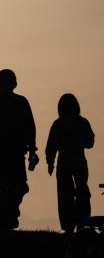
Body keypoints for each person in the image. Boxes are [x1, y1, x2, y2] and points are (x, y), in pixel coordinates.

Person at [0, 69, 38, 230]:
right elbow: (30, 128)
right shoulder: (19, 102)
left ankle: (7, 216)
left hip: (6, 153)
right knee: (7, 187)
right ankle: (7, 217)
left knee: (6, 187)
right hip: (8, 153)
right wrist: (32, 149)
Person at [45, 93, 95, 233]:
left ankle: (68, 225)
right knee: (82, 191)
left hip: (64, 161)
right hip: (79, 159)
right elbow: (90, 142)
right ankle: (82, 222)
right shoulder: (83, 122)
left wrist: (50, 162)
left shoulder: (58, 124)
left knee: (64, 194)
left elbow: (51, 146)